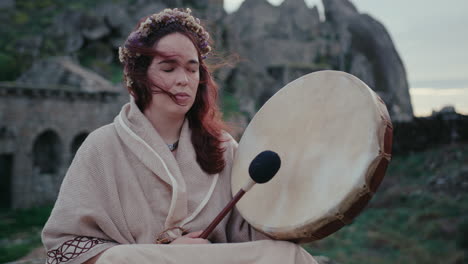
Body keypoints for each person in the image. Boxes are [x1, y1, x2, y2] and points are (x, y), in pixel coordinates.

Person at [42, 8, 317, 264]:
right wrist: (163, 256)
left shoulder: (223, 148)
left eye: (191, 67)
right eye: (168, 68)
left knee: (288, 254)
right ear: (140, 76)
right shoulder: (102, 147)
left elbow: (250, 235)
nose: (183, 79)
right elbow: (63, 247)